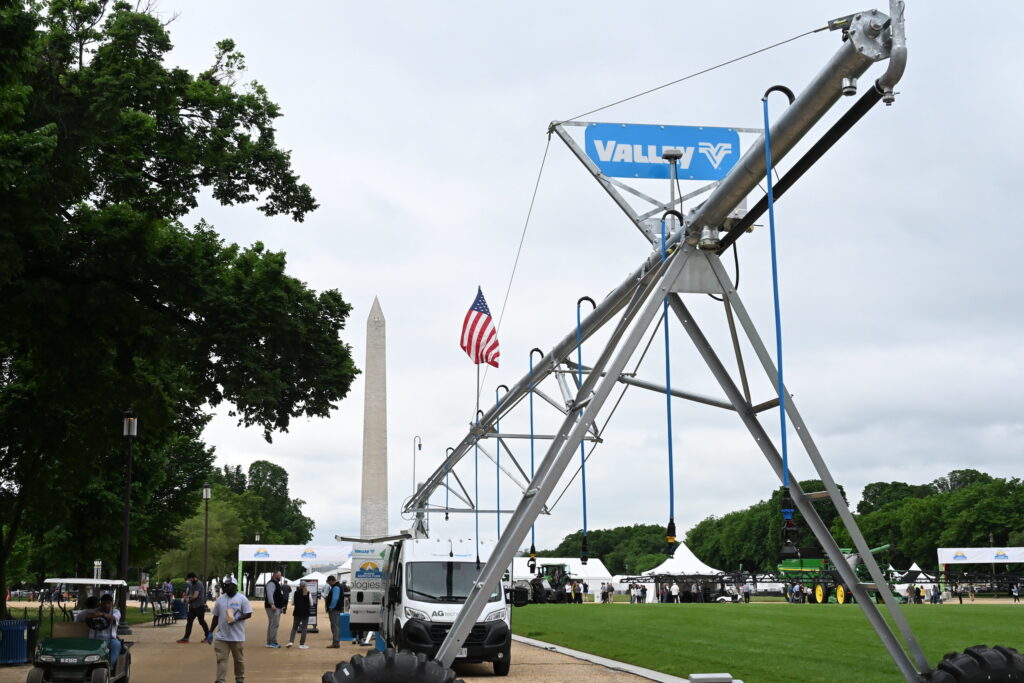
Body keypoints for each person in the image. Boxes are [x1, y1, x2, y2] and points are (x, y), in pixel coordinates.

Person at [209, 578, 252, 683]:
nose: (226, 587)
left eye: (228, 585)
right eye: (225, 585)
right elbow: (216, 616)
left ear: (235, 586)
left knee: (238, 660)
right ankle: (220, 680)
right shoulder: (220, 599)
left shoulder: (242, 599)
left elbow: (248, 613)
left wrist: (237, 618)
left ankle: (239, 678)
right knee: (221, 659)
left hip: (236, 636)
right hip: (222, 636)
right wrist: (210, 631)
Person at [75, 594, 122, 668]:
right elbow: (80, 616)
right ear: (100, 603)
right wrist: (88, 616)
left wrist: (102, 614)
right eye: (104, 603)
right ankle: (83, 666)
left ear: (112, 604)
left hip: (110, 639)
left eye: (108, 603)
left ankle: (109, 666)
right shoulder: (95, 611)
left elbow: (113, 618)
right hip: (95, 639)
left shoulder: (116, 612)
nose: (106, 605)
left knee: (116, 644)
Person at [178, 572, 210, 643]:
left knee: (201, 621)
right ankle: (186, 638)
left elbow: (195, 596)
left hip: (199, 606)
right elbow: (192, 594)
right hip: (193, 607)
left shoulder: (198, 584)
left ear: (194, 578)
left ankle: (208, 637)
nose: (190, 581)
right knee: (189, 622)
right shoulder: (193, 584)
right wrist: (187, 597)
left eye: (190, 579)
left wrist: (188, 600)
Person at [287, 581, 312, 649]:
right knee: (304, 628)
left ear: (300, 586)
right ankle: (302, 644)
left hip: (297, 612)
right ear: (306, 586)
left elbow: (292, 603)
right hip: (305, 612)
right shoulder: (308, 593)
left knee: (294, 627)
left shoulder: (295, 592)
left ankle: (291, 642)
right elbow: (311, 603)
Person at [264, 570, 285, 648]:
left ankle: (269, 642)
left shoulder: (276, 584)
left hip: (276, 607)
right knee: (274, 624)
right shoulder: (271, 583)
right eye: (279, 575)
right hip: (273, 607)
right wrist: (272, 604)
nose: (280, 577)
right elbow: (270, 594)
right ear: (275, 575)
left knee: (272, 624)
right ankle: (273, 642)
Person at [324, 575, 344, 649]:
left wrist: (331, 607)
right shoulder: (338, 586)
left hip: (334, 610)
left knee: (335, 626)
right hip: (336, 609)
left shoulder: (335, 587)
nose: (329, 584)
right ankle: (336, 642)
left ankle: (335, 643)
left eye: (329, 582)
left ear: (332, 581)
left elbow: (335, 599)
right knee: (336, 626)